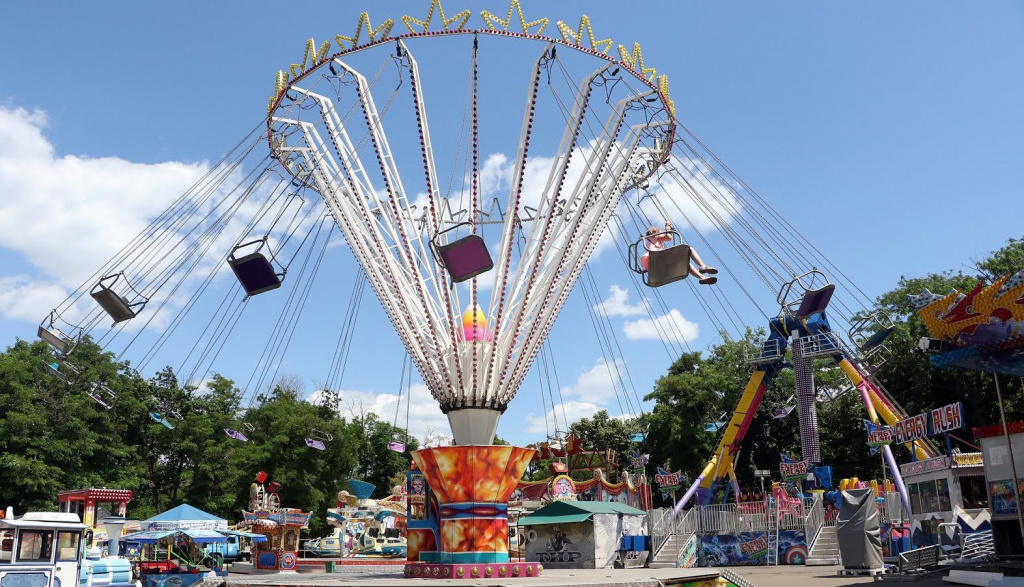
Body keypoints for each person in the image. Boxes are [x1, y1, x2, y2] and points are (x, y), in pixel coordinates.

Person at [641, 222, 718, 285]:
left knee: (685, 263)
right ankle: (702, 266)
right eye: (661, 233)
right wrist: (667, 227)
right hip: (660, 258)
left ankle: (702, 277)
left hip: (659, 264)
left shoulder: (648, 241)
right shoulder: (656, 237)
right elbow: (669, 237)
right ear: (656, 232)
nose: (662, 235)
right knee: (689, 249)